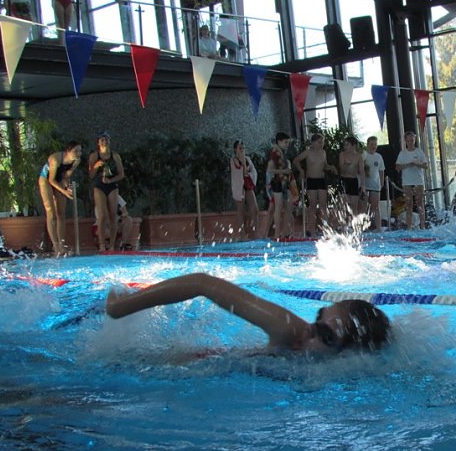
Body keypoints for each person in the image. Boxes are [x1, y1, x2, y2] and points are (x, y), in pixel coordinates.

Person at [105, 272, 391, 352]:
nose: (308, 330)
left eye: (325, 335)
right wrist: (119, 307)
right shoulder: (289, 328)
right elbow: (201, 283)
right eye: (317, 318)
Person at [39, 141, 82, 255]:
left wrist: (67, 186)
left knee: (61, 214)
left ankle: (62, 245)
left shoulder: (76, 161)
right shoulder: (55, 159)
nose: (78, 153)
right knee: (51, 213)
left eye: (80, 151)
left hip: (59, 180)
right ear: (68, 151)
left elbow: (65, 176)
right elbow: (51, 180)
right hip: (46, 180)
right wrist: (64, 192)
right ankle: (56, 246)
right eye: (76, 151)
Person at [293, 133, 337, 237]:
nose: (321, 144)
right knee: (312, 206)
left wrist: (331, 167)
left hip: (321, 180)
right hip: (311, 180)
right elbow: (296, 161)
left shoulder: (323, 152)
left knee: (323, 206)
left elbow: (324, 165)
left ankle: (326, 229)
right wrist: (301, 171)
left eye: (322, 142)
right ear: (313, 143)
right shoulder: (308, 152)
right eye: (319, 142)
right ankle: (311, 229)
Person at [88, 131, 125, 253]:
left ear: (110, 141)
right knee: (102, 215)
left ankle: (112, 245)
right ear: (98, 143)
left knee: (113, 215)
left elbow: (121, 174)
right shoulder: (94, 156)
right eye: (102, 140)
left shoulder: (115, 156)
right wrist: (96, 166)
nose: (105, 142)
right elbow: (91, 175)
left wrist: (111, 180)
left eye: (106, 139)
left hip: (112, 185)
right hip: (99, 186)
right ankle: (102, 244)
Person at [265, 132, 297, 240]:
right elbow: (269, 170)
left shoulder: (282, 152)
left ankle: (284, 232)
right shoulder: (275, 153)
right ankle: (277, 234)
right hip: (277, 182)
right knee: (278, 207)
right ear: (279, 142)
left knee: (289, 206)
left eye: (288, 142)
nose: (287, 144)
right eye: (285, 142)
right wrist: (284, 171)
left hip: (284, 182)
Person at [395, 130, 428, 230]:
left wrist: (417, 164)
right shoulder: (403, 153)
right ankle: (409, 227)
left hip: (418, 180)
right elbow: (397, 167)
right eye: (408, 140)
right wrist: (408, 165)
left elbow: (426, 166)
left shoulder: (419, 152)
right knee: (408, 203)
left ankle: (422, 226)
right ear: (405, 141)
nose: (410, 142)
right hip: (407, 181)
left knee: (420, 203)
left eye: (412, 140)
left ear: (415, 140)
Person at [231, 140, 258, 240]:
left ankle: (255, 233)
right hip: (239, 186)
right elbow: (241, 170)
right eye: (240, 148)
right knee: (241, 210)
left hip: (247, 184)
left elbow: (252, 171)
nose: (242, 150)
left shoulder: (247, 159)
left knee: (255, 209)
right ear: (235, 149)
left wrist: (247, 170)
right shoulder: (233, 160)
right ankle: (242, 235)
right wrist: (245, 168)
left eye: (243, 148)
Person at [338, 135, 365, 218]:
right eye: (344, 145)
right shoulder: (342, 154)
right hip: (344, 180)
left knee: (354, 206)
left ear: (354, 146)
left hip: (353, 180)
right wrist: (348, 165)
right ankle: (344, 223)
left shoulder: (358, 156)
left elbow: (362, 171)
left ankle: (354, 223)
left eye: (347, 145)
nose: (345, 147)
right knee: (343, 205)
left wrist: (363, 185)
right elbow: (341, 169)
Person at [362, 136, 385, 231]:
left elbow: (381, 171)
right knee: (364, 207)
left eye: (375, 144)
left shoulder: (379, 157)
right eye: (372, 144)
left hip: (375, 184)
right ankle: (363, 227)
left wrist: (381, 182)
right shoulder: (363, 155)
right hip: (364, 184)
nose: (374, 146)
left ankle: (378, 227)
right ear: (367, 145)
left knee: (375, 206)